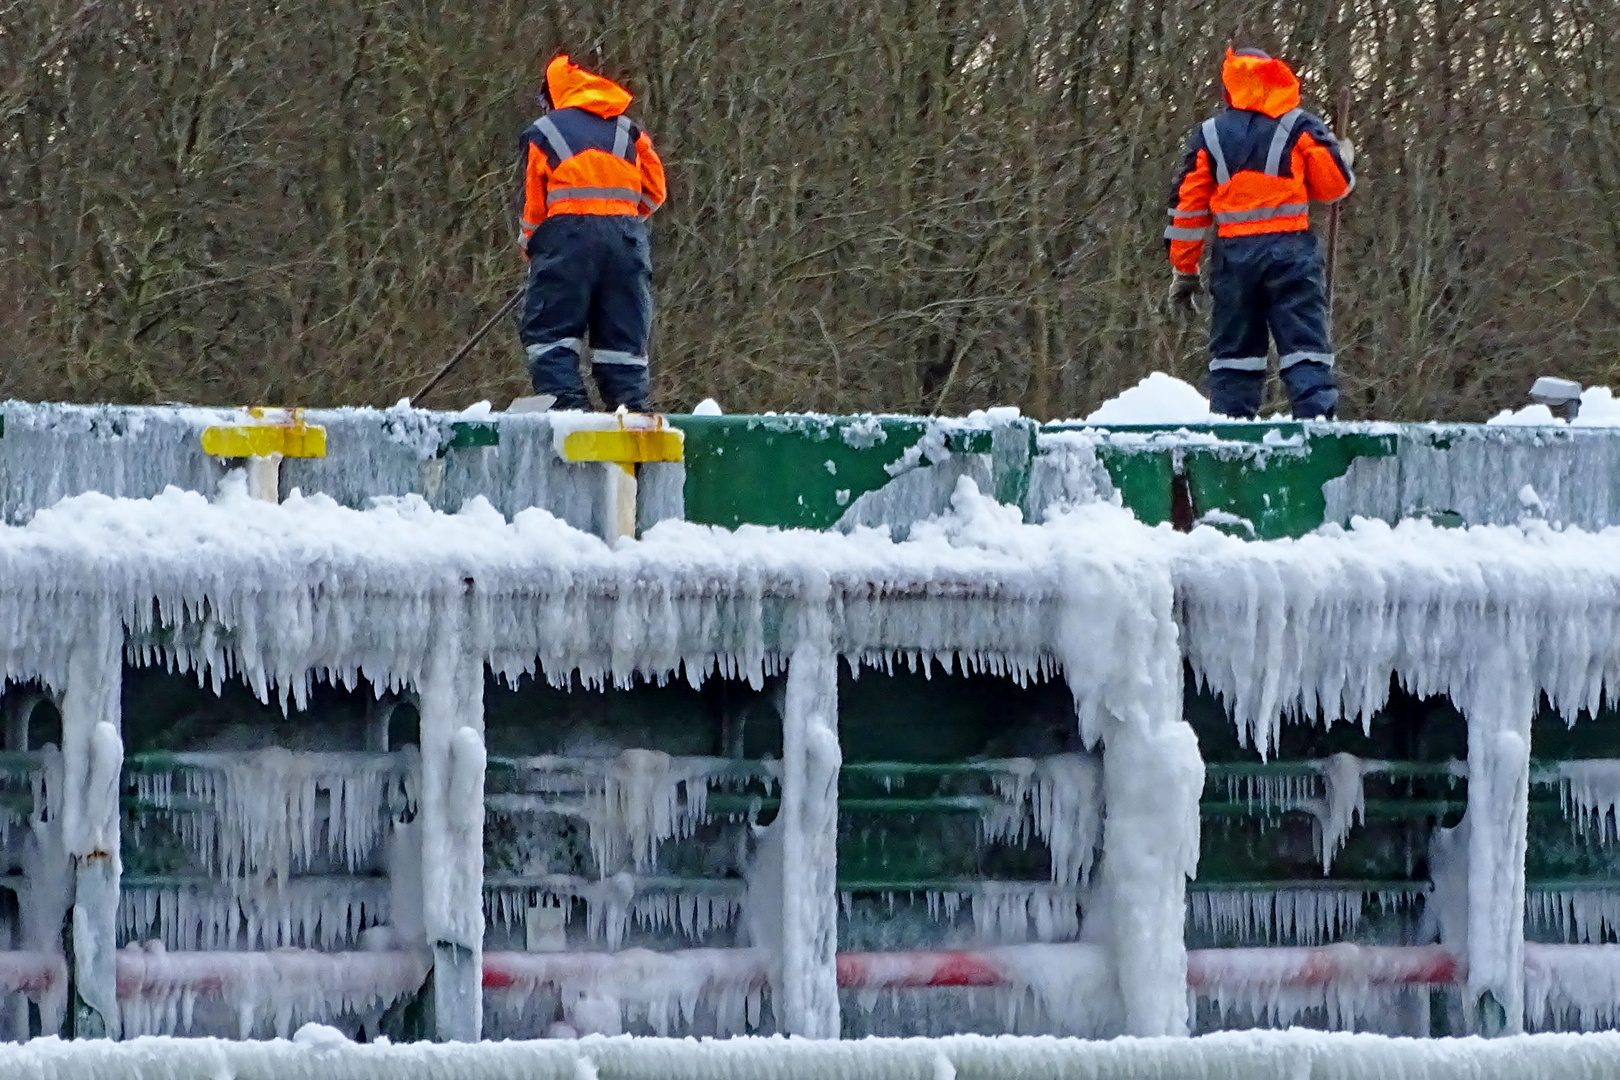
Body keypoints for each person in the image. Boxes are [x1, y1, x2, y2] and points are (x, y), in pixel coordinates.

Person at [1164, 48, 1355, 419]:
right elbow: (1333, 186)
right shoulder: (1300, 126)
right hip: (1290, 255)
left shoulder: (1209, 136)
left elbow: (1188, 209)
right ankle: (1316, 427)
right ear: (1275, 78)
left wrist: (1184, 268)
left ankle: (1230, 438)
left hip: (1234, 259)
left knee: (1235, 356)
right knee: (1304, 347)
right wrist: (1343, 156)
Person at [517, 55, 666, 411]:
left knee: (550, 336)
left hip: (566, 238)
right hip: (626, 239)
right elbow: (655, 191)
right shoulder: (628, 129)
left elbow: (535, 208)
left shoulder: (544, 132)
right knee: (622, 345)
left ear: (551, 97)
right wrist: (620, 217)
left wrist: (532, 248)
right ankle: (633, 423)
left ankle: (571, 415)